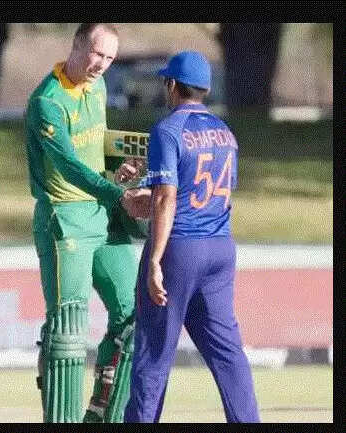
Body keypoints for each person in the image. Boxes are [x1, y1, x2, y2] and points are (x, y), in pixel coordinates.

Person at [122, 51, 260, 422]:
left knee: (153, 354)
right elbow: (205, 192)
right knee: (228, 354)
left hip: (179, 248)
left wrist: (155, 260)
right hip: (220, 246)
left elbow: (167, 199)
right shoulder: (225, 133)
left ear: (171, 85)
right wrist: (152, 198)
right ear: (205, 89)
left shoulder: (168, 130)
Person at [25, 23, 151, 423]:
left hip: (104, 213)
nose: (102, 64)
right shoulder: (48, 101)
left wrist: (120, 169)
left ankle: (102, 415)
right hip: (65, 217)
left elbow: (97, 145)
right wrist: (119, 194)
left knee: (136, 315)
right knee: (67, 327)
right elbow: (68, 165)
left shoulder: (98, 87)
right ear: (77, 45)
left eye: (110, 58)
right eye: (97, 54)